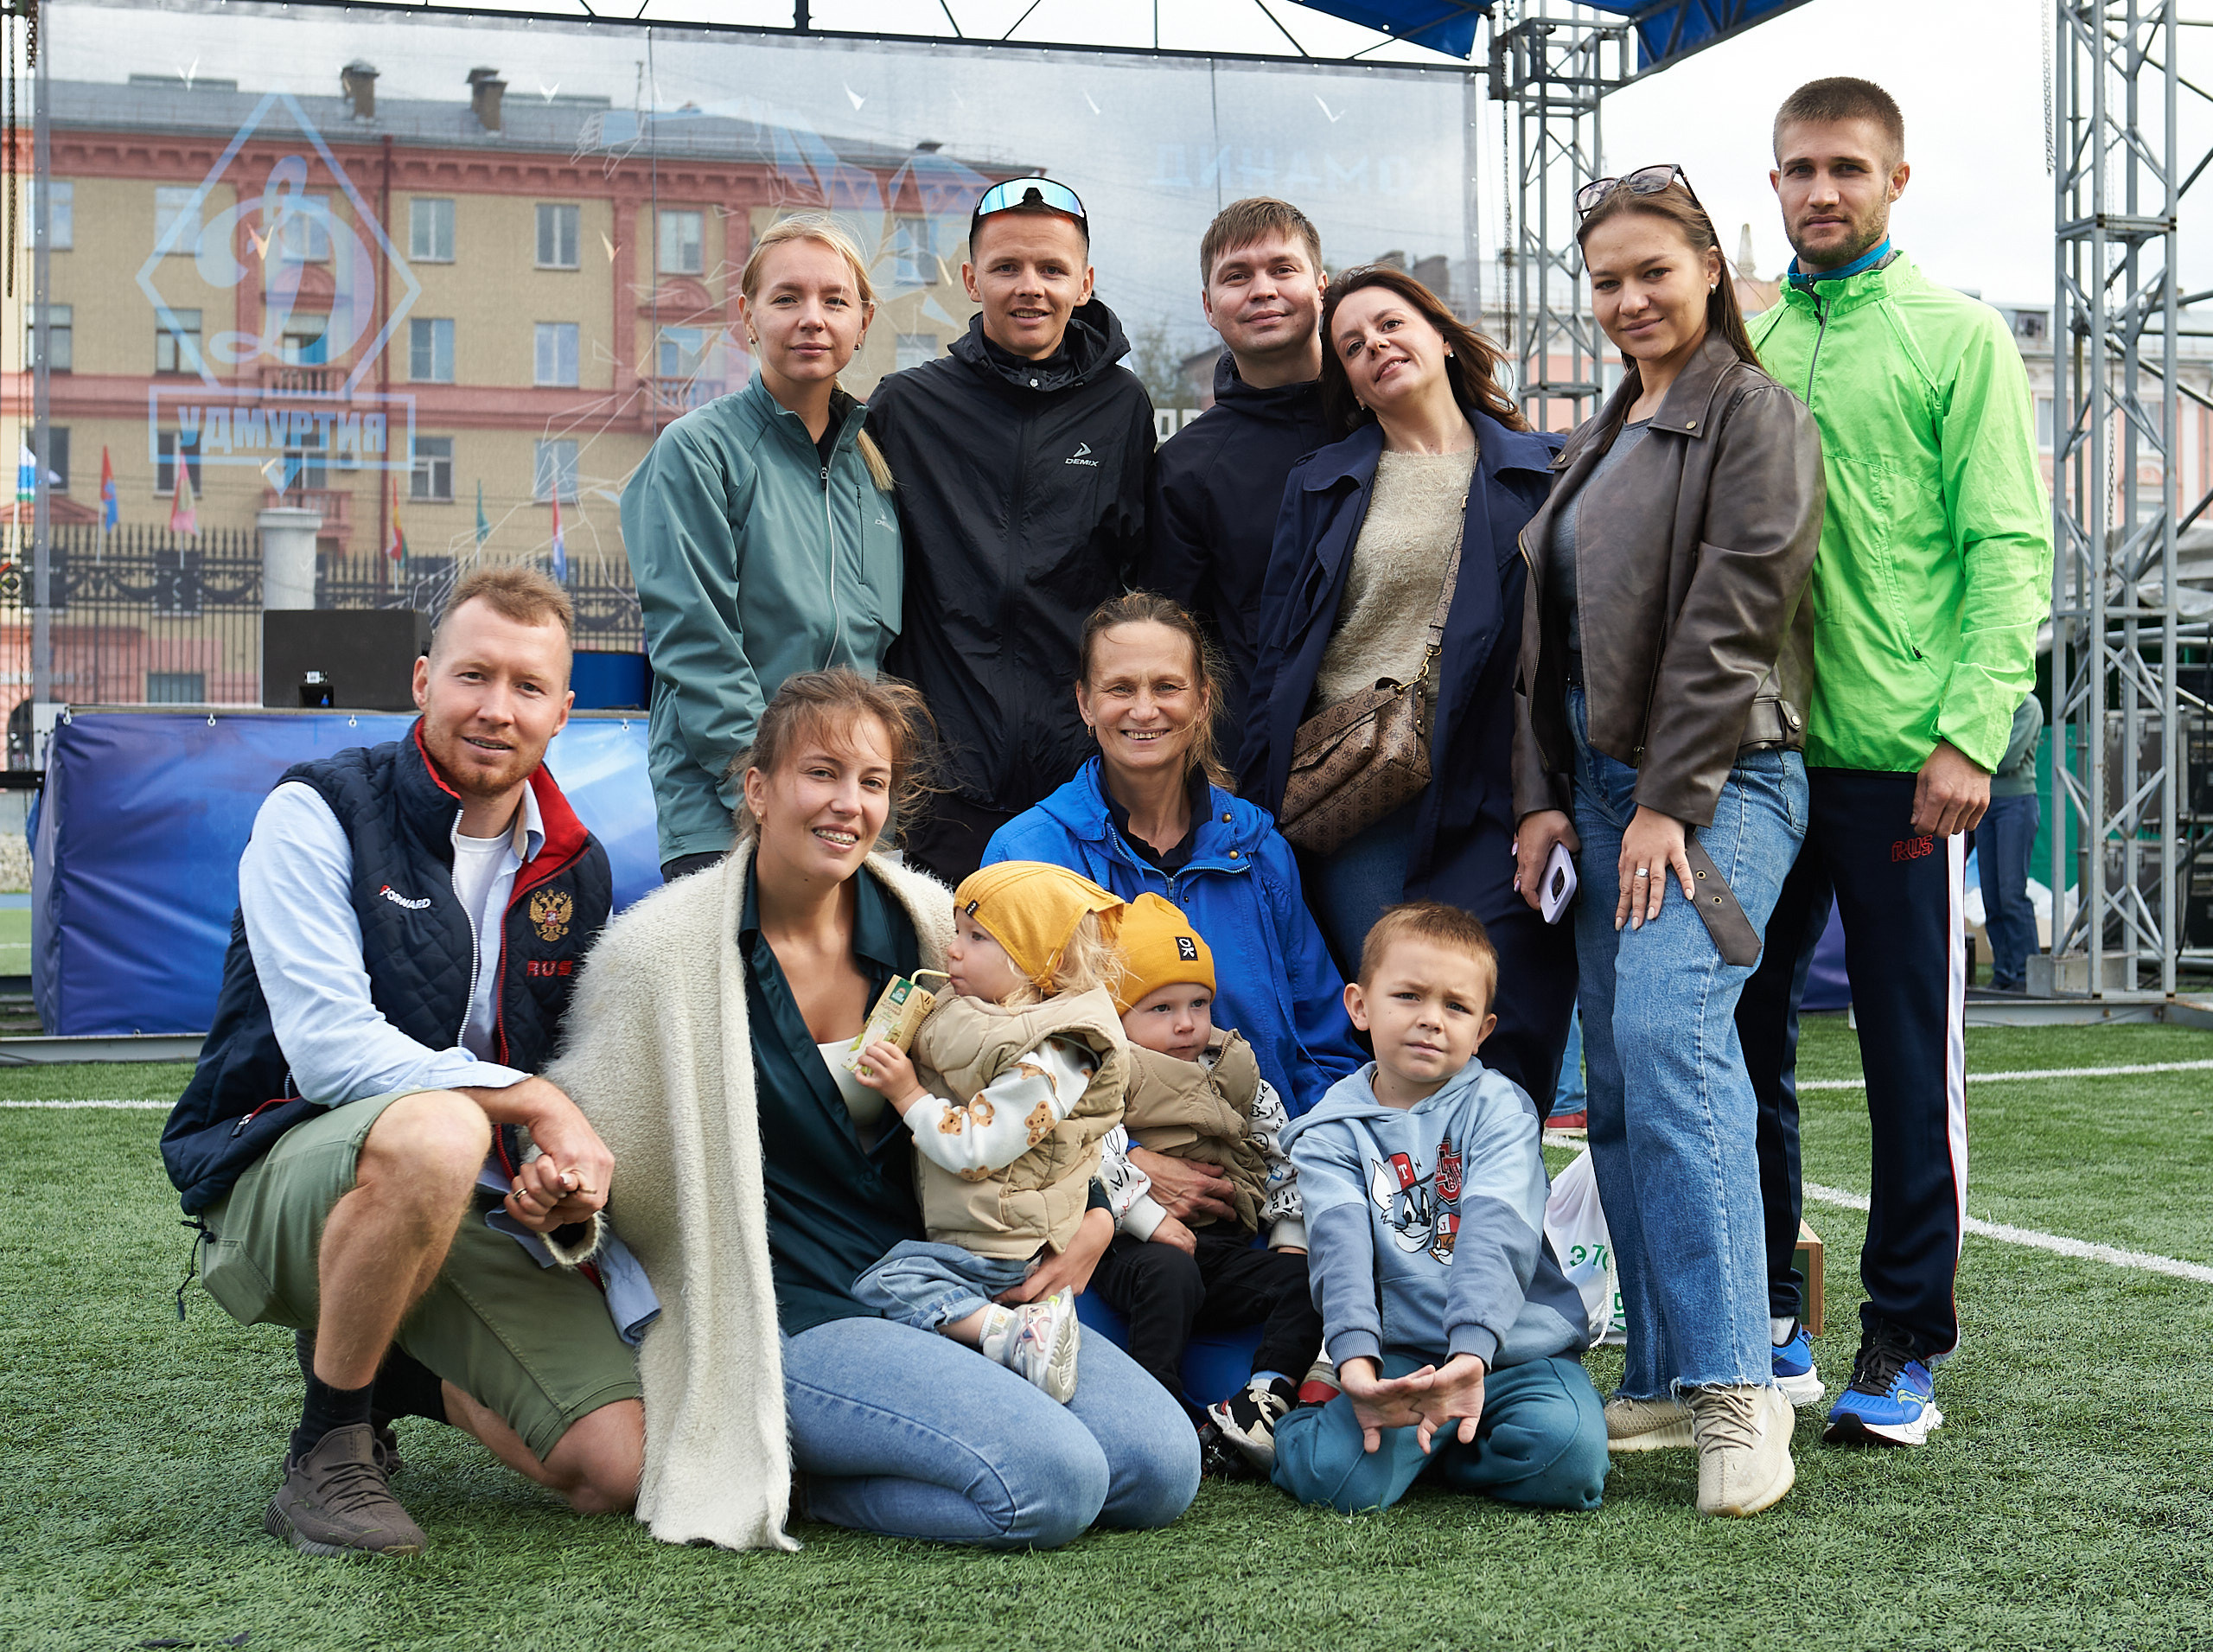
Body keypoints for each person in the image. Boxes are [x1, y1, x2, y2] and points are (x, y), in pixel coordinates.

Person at [548, 670, 1198, 1549]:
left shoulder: (932, 922)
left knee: (1160, 1468)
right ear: (757, 788)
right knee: (1056, 1483)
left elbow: (1038, 1085)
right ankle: (795, 1473)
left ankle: (883, 1448)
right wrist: (565, 1196)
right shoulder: (661, 954)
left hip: (948, 1277)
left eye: (872, 781)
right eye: (821, 773)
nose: (847, 804)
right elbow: (597, 1158)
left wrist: (1090, 1214)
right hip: (792, 1308)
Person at [162, 567, 644, 1559]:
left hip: (462, 1201)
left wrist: (557, 1183)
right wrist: (530, 1102)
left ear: (562, 711)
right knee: (440, 1127)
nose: (496, 708)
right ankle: (327, 1446)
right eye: (473, 676)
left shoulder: (576, 865)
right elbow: (329, 1051)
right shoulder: (317, 809)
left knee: (619, 1468)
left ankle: (391, 1364)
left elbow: (556, 1065)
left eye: (527, 686)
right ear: (423, 680)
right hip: (275, 1173)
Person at [1734, 78, 2051, 1449]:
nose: (1821, 191)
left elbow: (2009, 546)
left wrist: (1970, 730)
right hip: (1761, 756)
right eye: (1799, 169)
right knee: (1739, 1039)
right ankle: (1768, 1315)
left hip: (1907, 766)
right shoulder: (1744, 340)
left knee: (1909, 1055)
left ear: (1896, 181)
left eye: (1847, 168)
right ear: (1774, 184)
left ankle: (1906, 1341)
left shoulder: (1956, 334)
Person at [1511, 164, 1824, 1516]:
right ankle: (1660, 1368)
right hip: (1598, 787)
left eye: (1653, 270)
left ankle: (1742, 1383)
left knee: (1671, 1037)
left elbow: (1734, 615)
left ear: (1710, 267)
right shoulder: (1608, 428)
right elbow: (1551, 640)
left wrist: (1666, 799)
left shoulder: (1755, 414)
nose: (1630, 298)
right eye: (1607, 280)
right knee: (1624, 1084)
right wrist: (1546, 793)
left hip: (1723, 776)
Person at [1240, 265, 1577, 1110]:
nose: (1375, 347)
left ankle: (1496, 1194)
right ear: (1349, 384)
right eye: (1352, 346)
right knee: (1399, 1036)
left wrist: (1553, 791)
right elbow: (1278, 653)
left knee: (1501, 1023)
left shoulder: (1546, 470)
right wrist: (1251, 801)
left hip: (1497, 788)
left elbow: (1571, 647)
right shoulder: (1321, 481)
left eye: (1390, 325)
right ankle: (1407, 1199)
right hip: (1361, 792)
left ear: (1440, 335)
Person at [1270, 903, 1609, 1516]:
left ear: (1482, 1030)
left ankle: (1443, 1450)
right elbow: (1341, 1256)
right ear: (1359, 1006)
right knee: (1338, 1482)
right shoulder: (1327, 1131)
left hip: (1514, 1352)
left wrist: (1470, 1355)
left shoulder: (1502, 1108)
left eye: (1456, 1006)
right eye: (1408, 996)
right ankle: (1302, 1427)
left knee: (1570, 1458)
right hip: (1400, 1358)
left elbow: (1495, 1238)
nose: (1431, 1019)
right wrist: (1357, 1365)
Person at [986, 591, 1363, 1132]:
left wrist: (1317, 1152)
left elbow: (1325, 1046)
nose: (1144, 710)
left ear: (1203, 700)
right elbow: (1000, 1060)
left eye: (1167, 686)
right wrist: (1133, 1165)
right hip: (1106, 1173)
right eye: (1120, 688)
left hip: (1277, 1156)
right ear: (1085, 703)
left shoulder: (1260, 850)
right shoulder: (1025, 856)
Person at [869, 178, 1155, 885]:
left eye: (1052, 268)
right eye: (1007, 267)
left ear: (1084, 283)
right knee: (954, 955)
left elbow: (1140, 581)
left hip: (1079, 783)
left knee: (1079, 956)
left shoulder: (1123, 408)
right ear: (972, 280)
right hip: (943, 782)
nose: (1030, 287)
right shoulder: (908, 407)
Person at [622, 214, 902, 883]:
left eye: (835, 301)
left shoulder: (876, 471)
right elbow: (698, 649)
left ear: (863, 321)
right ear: (748, 316)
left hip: (851, 824)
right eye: (787, 298)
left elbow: (879, 660)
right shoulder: (698, 452)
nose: (813, 319)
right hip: (731, 822)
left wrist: (860, 801)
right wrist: (770, 801)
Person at [847, 863, 1135, 1403]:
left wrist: (907, 1093)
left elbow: (977, 1147)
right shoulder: (994, 1010)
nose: (952, 949)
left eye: (977, 937)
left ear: (1043, 959)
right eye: (958, 931)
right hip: (983, 1227)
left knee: (884, 1285)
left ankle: (1014, 1334)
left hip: (998, 1243)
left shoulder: (1063, 1049)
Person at [1077, 894, 1322, 1471]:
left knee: (1308, 1277)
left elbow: (1277, 1144)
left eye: (1199, 1003)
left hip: (1222, 1247)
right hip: (1132, 1246)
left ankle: (1264, 1397)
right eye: (1160, 1007)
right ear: (1117, 1014)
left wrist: (1289, 1232)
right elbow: (1091, 1146)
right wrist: (1150, 1219)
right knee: (1169, 1273)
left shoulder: (1234, 1066)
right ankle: (1154, 1410)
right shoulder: (1106, 1067)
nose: (1186, 1022)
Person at [1142, 197, 1332, 728]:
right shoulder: (1185, 469)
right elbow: (1177, 646)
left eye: (1283, 269)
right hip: (1260, 757)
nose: (1262, 290)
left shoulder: (1388, 419)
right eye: (1237, 276)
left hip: (1422, 749)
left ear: (1321, 286)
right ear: (1209, 306)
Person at [1974, 694, 2044, 992]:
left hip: (2016, 802)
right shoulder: (1991, 700)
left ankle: (2026, 974)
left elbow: (2010, 757)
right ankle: (2004, 971)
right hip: (1986, 802)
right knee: (1992, 897)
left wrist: (1970, 758)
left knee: (2011, 894)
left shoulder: (2028, 706)